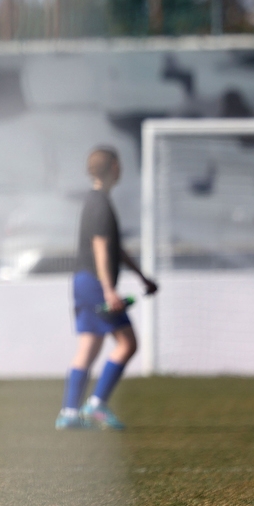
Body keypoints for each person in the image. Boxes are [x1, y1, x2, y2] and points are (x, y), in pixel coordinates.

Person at [56, 146, 157, 431]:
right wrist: (109, 289)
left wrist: (141, 276)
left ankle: (69, 412)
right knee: (128, 343)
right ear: (113, 167)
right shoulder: (100, 203)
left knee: (88, 346)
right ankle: (97, 403)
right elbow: (101, 247)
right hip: (95, 283)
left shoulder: (94, 201)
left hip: (83, 281)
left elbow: (115, 249)